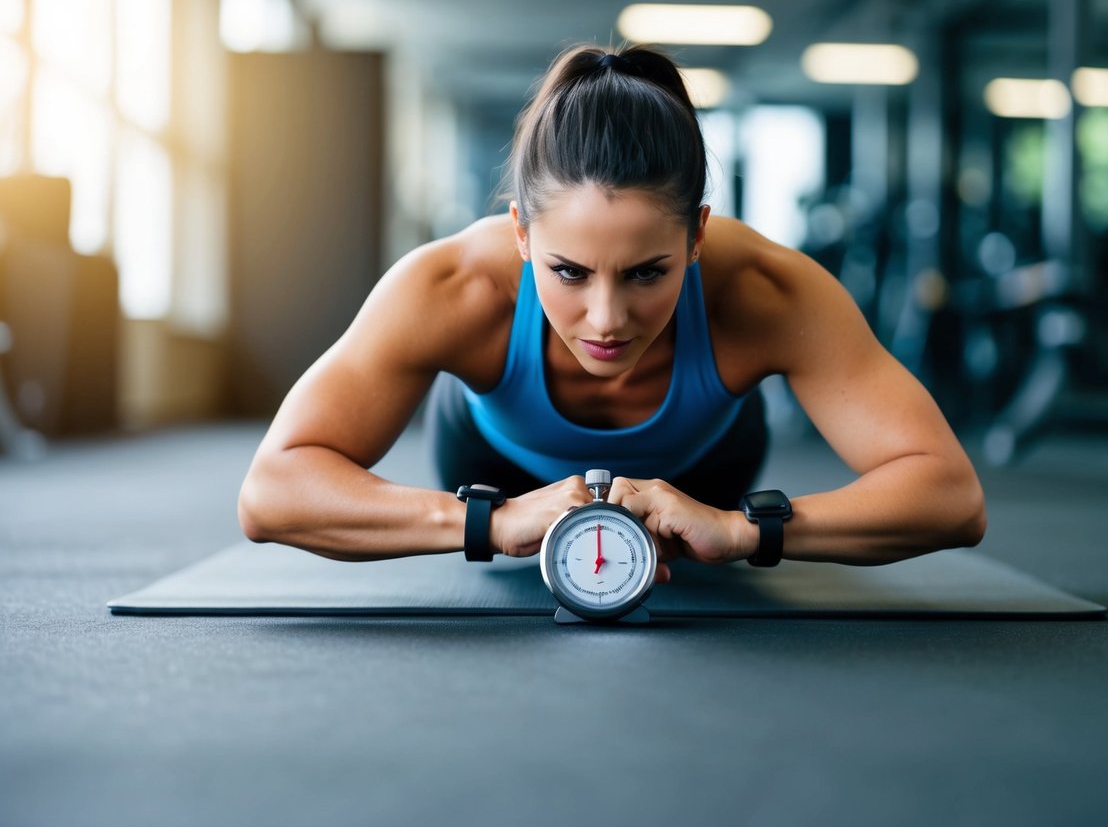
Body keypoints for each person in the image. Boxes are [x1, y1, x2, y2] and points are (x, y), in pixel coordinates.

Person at [237, 44, 986, 582]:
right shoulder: (452, 286)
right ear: (521, 235)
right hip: (495, 469)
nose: (605, 318)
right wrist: (488, 524)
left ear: (695, 234)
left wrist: (742, 529)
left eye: (646, 273)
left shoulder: (764, 288)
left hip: (704, 468)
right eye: (567, 271)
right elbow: (272, 492)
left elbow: (950, 496)